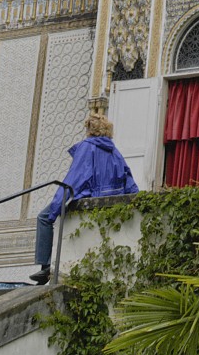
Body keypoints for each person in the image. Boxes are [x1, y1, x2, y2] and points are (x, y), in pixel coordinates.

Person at [31, 113, 138, 285]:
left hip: (90, 194)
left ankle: (46, 266)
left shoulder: (86, 147)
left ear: (89, 129)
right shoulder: (115, 151)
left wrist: (56, 207)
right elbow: (129, 180)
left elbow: (75, 178)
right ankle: (47, 267)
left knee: (44, 217)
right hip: (111, 198)